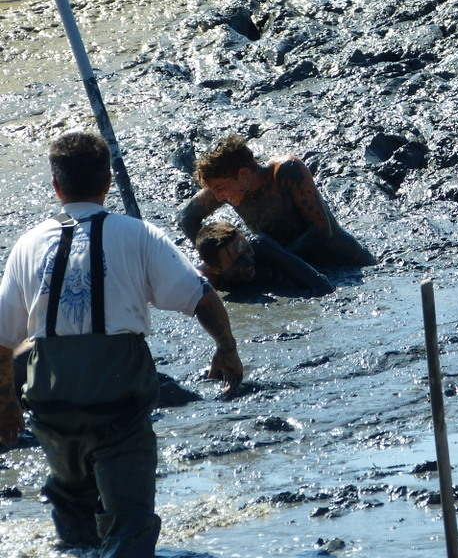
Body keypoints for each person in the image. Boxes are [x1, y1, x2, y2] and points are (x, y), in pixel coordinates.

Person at [0, 131, 243, 557]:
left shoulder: (26, 244)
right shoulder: (138, 234)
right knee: (129, 524)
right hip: (117, 395)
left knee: (73, 513)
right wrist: (227, 348)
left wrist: (6, 406)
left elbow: (2, 344)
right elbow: (200, 296)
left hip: (51, 403)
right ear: (108, 183)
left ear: (56, 188)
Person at [178, 135, 376, 277]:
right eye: (215, 190)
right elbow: (186, 218)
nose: (219, 196)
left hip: (347, 262)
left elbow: (321, 231)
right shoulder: (227, 188)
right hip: (291, 264)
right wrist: (219, 262)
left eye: (220, 188)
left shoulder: (286, 171)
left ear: (244, 174)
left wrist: (273, 260)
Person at [195, 220, 334, 296]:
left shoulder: (261, 247)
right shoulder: (203, 280)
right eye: (238, 261)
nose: (249, 262)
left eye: (247, 250)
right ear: (215, 270)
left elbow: (321, 285)